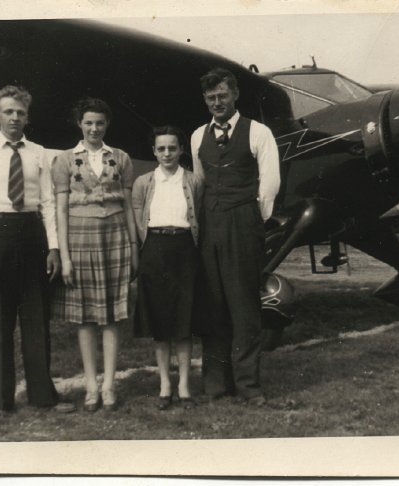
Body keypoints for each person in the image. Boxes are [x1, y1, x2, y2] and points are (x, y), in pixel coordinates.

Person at [0, 85, 74, 417]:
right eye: (8, 111)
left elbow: (50, 203)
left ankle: (43, 396)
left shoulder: (38, 152)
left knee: (36, 321)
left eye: (20, 112)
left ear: (27, 118)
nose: (14, 117)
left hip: (32, 235)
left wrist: (53, 247)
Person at [191, 68, 280, 405]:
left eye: (223, 96)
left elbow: (269, 184)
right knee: (213, 303)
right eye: (211, 97)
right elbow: (200, 182)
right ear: (205, 100)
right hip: (210, 222)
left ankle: (248, 385)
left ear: (235, 95)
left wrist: (252, 220)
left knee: (243, 305)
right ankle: (216, 383)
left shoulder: (258, 133)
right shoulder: (198, 135)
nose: (217, 102)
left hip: (243, 222)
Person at [51, 97, 138, 412]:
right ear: (80, 124)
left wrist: (133, 247)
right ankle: (91, 387)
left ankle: (110, 386)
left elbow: (128, 207)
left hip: (115, 235)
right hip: (79, 238)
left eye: (99, 123)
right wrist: (64, 255)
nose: (94, 128)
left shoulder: (120, 158)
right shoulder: (64, 160)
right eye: (88, 122)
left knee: (112, 316)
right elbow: (60, 210)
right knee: (86, 318)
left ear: (106, 125)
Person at [132, 126, 204, 411]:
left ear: (181, 150)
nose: (166, 153)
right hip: (155, 251)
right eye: (161, 149)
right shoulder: (144, 182)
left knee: (184, 322)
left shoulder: (194, 181)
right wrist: (144, 250)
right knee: (160, 324)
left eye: (172, 148)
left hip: (185, 249)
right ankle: (165, 383)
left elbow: (198, 216)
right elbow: (138, 217)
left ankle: (184, 385)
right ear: (154, 151)